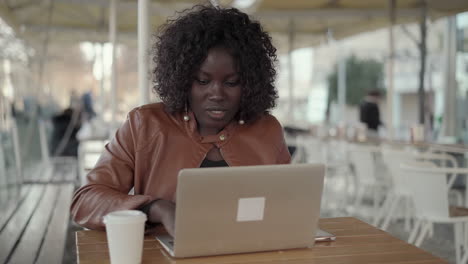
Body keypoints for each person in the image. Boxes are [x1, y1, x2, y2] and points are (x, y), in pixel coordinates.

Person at [71, 5, 291, 237]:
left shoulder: (268, 130)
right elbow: (85, 201)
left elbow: (291, 204)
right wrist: (154, 208)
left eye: (232, 82)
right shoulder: (144, 125)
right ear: (183, 80)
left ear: (249, 84)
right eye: (203, 81)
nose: (216, 93)